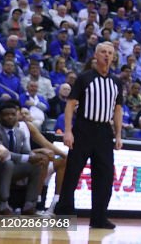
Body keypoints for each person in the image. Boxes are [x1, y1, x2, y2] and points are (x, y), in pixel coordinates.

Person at [52, 41, 123, 229]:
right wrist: (68, 131)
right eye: (103, 52)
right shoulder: (84, 78)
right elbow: (70, 104)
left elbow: (117, 109)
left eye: (110, 52)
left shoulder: (117, 82)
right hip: (83, 128)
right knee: (73, 173)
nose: (107, 55)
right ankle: (64, 214)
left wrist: (119, 135)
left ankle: (99, 218)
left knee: (105, 177)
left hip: (104, 132)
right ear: (96, 56)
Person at [0, 101, 47, 215]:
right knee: (8, 163)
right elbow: (4, 153)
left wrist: (35, 157)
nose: (10, 117)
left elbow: (26, 151)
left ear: (17, 116)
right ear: (0, 117)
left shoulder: (20, 132)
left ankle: (30, 204)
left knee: (37, 164)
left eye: (13, 114)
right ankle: (2, 203)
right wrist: (27, 158)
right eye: (6, 114)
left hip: (14, 167)